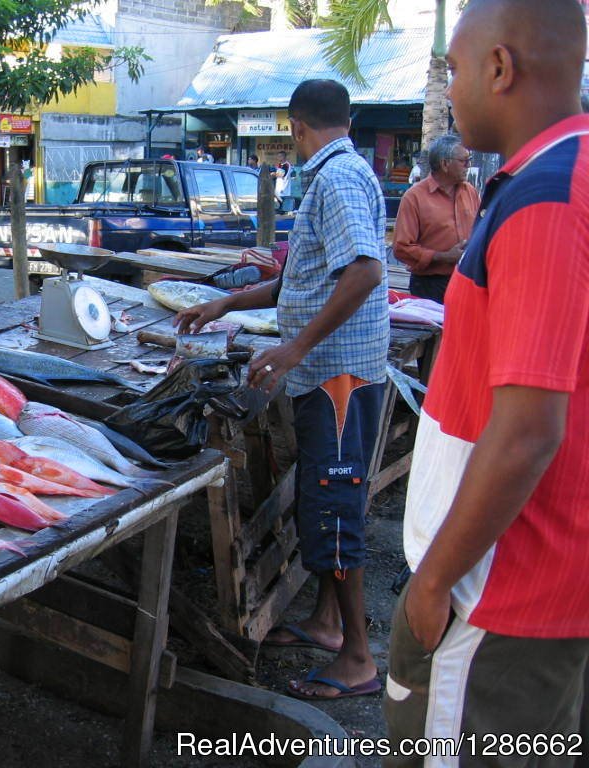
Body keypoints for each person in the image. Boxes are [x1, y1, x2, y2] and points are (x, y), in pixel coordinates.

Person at [384, 0, 589, 760]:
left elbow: (529, 428)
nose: (453, 86)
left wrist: (433, 582)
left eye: (457, 69)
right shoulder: (556, 178)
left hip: (495, 592)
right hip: (528, 580)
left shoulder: (547, 198)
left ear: (501, 69)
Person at [175, 79, 389, 701]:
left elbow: (367, 270)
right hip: (327, 373)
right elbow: (298, 280)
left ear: (295, 127)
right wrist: (225, 304)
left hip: (336, 375)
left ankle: (358, 660)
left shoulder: (337, 178)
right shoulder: (341, 171)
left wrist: (295, 347)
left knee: (333, 509)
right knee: (326, 501)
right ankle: (326, 624)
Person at [392, 134, 479, 303]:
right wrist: (442, 256)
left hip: (467, 279)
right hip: (430, 285)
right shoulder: (414, 197)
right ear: (445, 164)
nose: (468, 166)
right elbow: (401, 248)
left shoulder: (470, 192)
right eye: (464, 161)